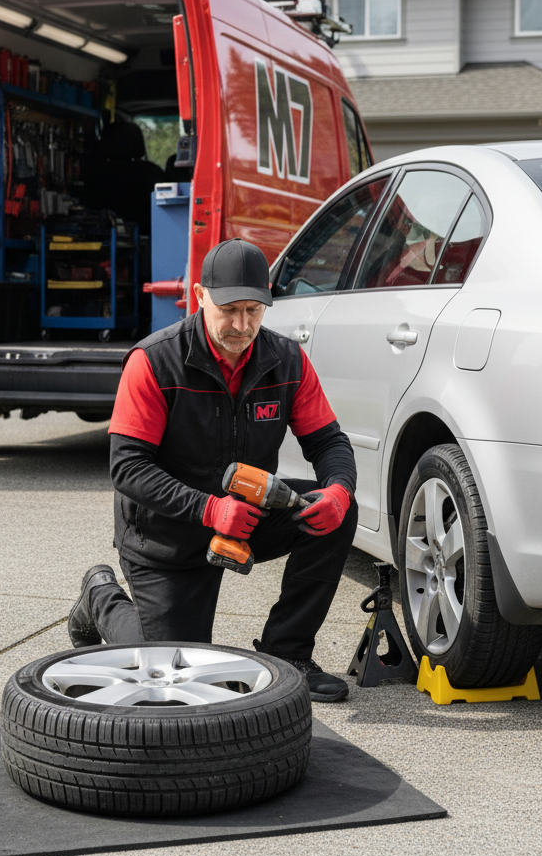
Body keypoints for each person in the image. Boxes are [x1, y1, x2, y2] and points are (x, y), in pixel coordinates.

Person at [68, 238, 358, 701]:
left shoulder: (287, 360)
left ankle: (290, 652)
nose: (242, 325)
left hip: (244, 519)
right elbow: (127, 468)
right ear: (200, 295)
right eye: (229, 310)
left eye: (254, 310)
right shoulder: (153, 362)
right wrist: (209, 510)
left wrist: (340, 488)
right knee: (169, 676)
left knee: (338, 514)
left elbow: (328, 442)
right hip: (165, 536)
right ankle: (100, 596)